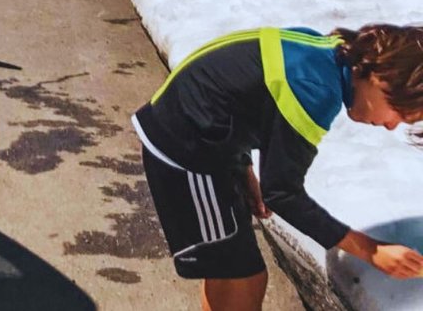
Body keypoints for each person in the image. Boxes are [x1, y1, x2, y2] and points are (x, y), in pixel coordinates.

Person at [133, 24, 423, 310]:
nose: (389, 126)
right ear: (385, 76)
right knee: (240, 277)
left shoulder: (322, 51)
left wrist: (243, 166)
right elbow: (282, 194)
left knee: (235, 271)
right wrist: (371, 250)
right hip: (184, 152)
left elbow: (237, 92)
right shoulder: (315, 90)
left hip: (204, 138)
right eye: (399, 112)